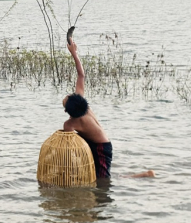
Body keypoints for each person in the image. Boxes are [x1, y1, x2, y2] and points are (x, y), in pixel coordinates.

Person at [63, 39, 154, 179]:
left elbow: (70, 145)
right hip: (96, 143)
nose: (67, 96)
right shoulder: (82, 106)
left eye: (66, 98)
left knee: (104, 180)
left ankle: (144, 175)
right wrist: (74, 53)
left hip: (101, 147)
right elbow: (81, 75)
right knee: (95, 176)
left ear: (68, 111)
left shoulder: (71, 123)